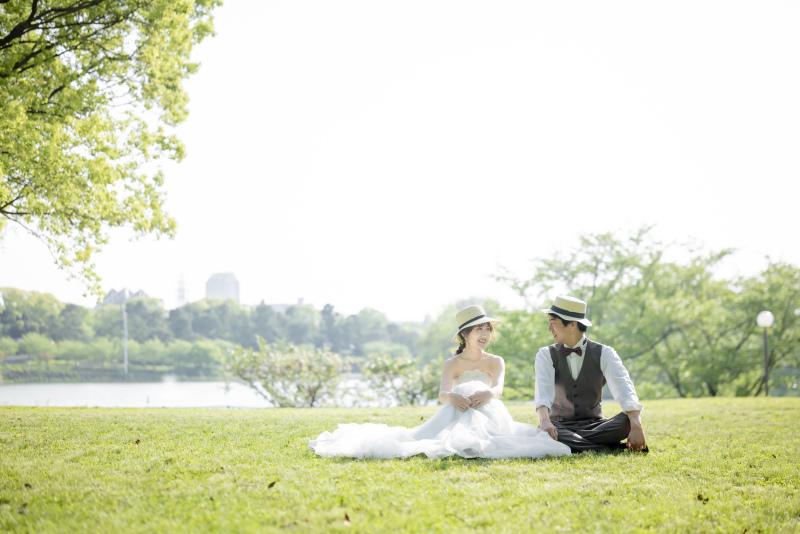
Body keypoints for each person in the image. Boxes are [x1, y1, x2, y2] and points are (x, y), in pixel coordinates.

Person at [309, 304, 571, 460]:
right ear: (464, 334)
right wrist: (453, 396)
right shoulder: (452, 364)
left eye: (488, 329)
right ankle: (462, 437)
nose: (485, 334)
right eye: (479, 329)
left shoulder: (495, 360)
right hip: (456, 410)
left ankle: (475, 438)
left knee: (480, 401)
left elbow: (498, 389)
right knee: (454, 403)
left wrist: (488, 394)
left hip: (489, 409)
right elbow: (443, 393)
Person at [535, 295, 648, 453]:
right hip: (560, 426)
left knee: (627, 421)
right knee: (545, 429)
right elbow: (543, 391)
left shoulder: (605, 353)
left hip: (597, 425)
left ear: (572, 324)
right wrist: (545, 422)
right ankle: (608, 447)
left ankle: (574, 444)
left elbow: (623, 386)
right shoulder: (545, 354)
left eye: (553, 323)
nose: (549, 329)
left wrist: (636, 426)